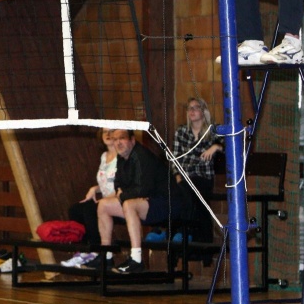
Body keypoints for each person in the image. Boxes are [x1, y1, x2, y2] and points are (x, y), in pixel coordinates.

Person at [81, 129, 182, 274]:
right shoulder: (122, 157)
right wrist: (125, 194)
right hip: (147, 202)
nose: (118, 143)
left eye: (122, 138)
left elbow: (142, 189)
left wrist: (124, 195)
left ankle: (136, 259)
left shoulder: (141, 156)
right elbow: (118, 184)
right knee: (103, 205)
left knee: (129, 205)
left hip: (167, 203)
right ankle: (106, 255)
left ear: (132, 140)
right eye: (115, 139)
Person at [61, 128, 117, 267]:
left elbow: (122, 184)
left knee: (90, 210)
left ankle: (97, 250)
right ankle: (83, 250)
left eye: (111, 132)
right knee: (75, 209)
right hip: (105, 199)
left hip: (117, 200)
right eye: (104, 132)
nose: (107, 135)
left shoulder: (121, 156)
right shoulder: (104, 156)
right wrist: (95, 188)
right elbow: (106, 181)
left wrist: (106, 199)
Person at [171, 98, 222, 243]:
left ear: (203, 111)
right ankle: (181, 234)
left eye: (196, 107)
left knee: (193, 193)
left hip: (202, 176)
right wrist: (177, 175)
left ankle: (186, 234)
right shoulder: (181, 132)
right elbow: (175, 158)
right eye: (189, 108)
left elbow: (230, 145)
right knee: (179, 192)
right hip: (184, 177)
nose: (192, 111)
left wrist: (216, 147)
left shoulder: (213, 131)